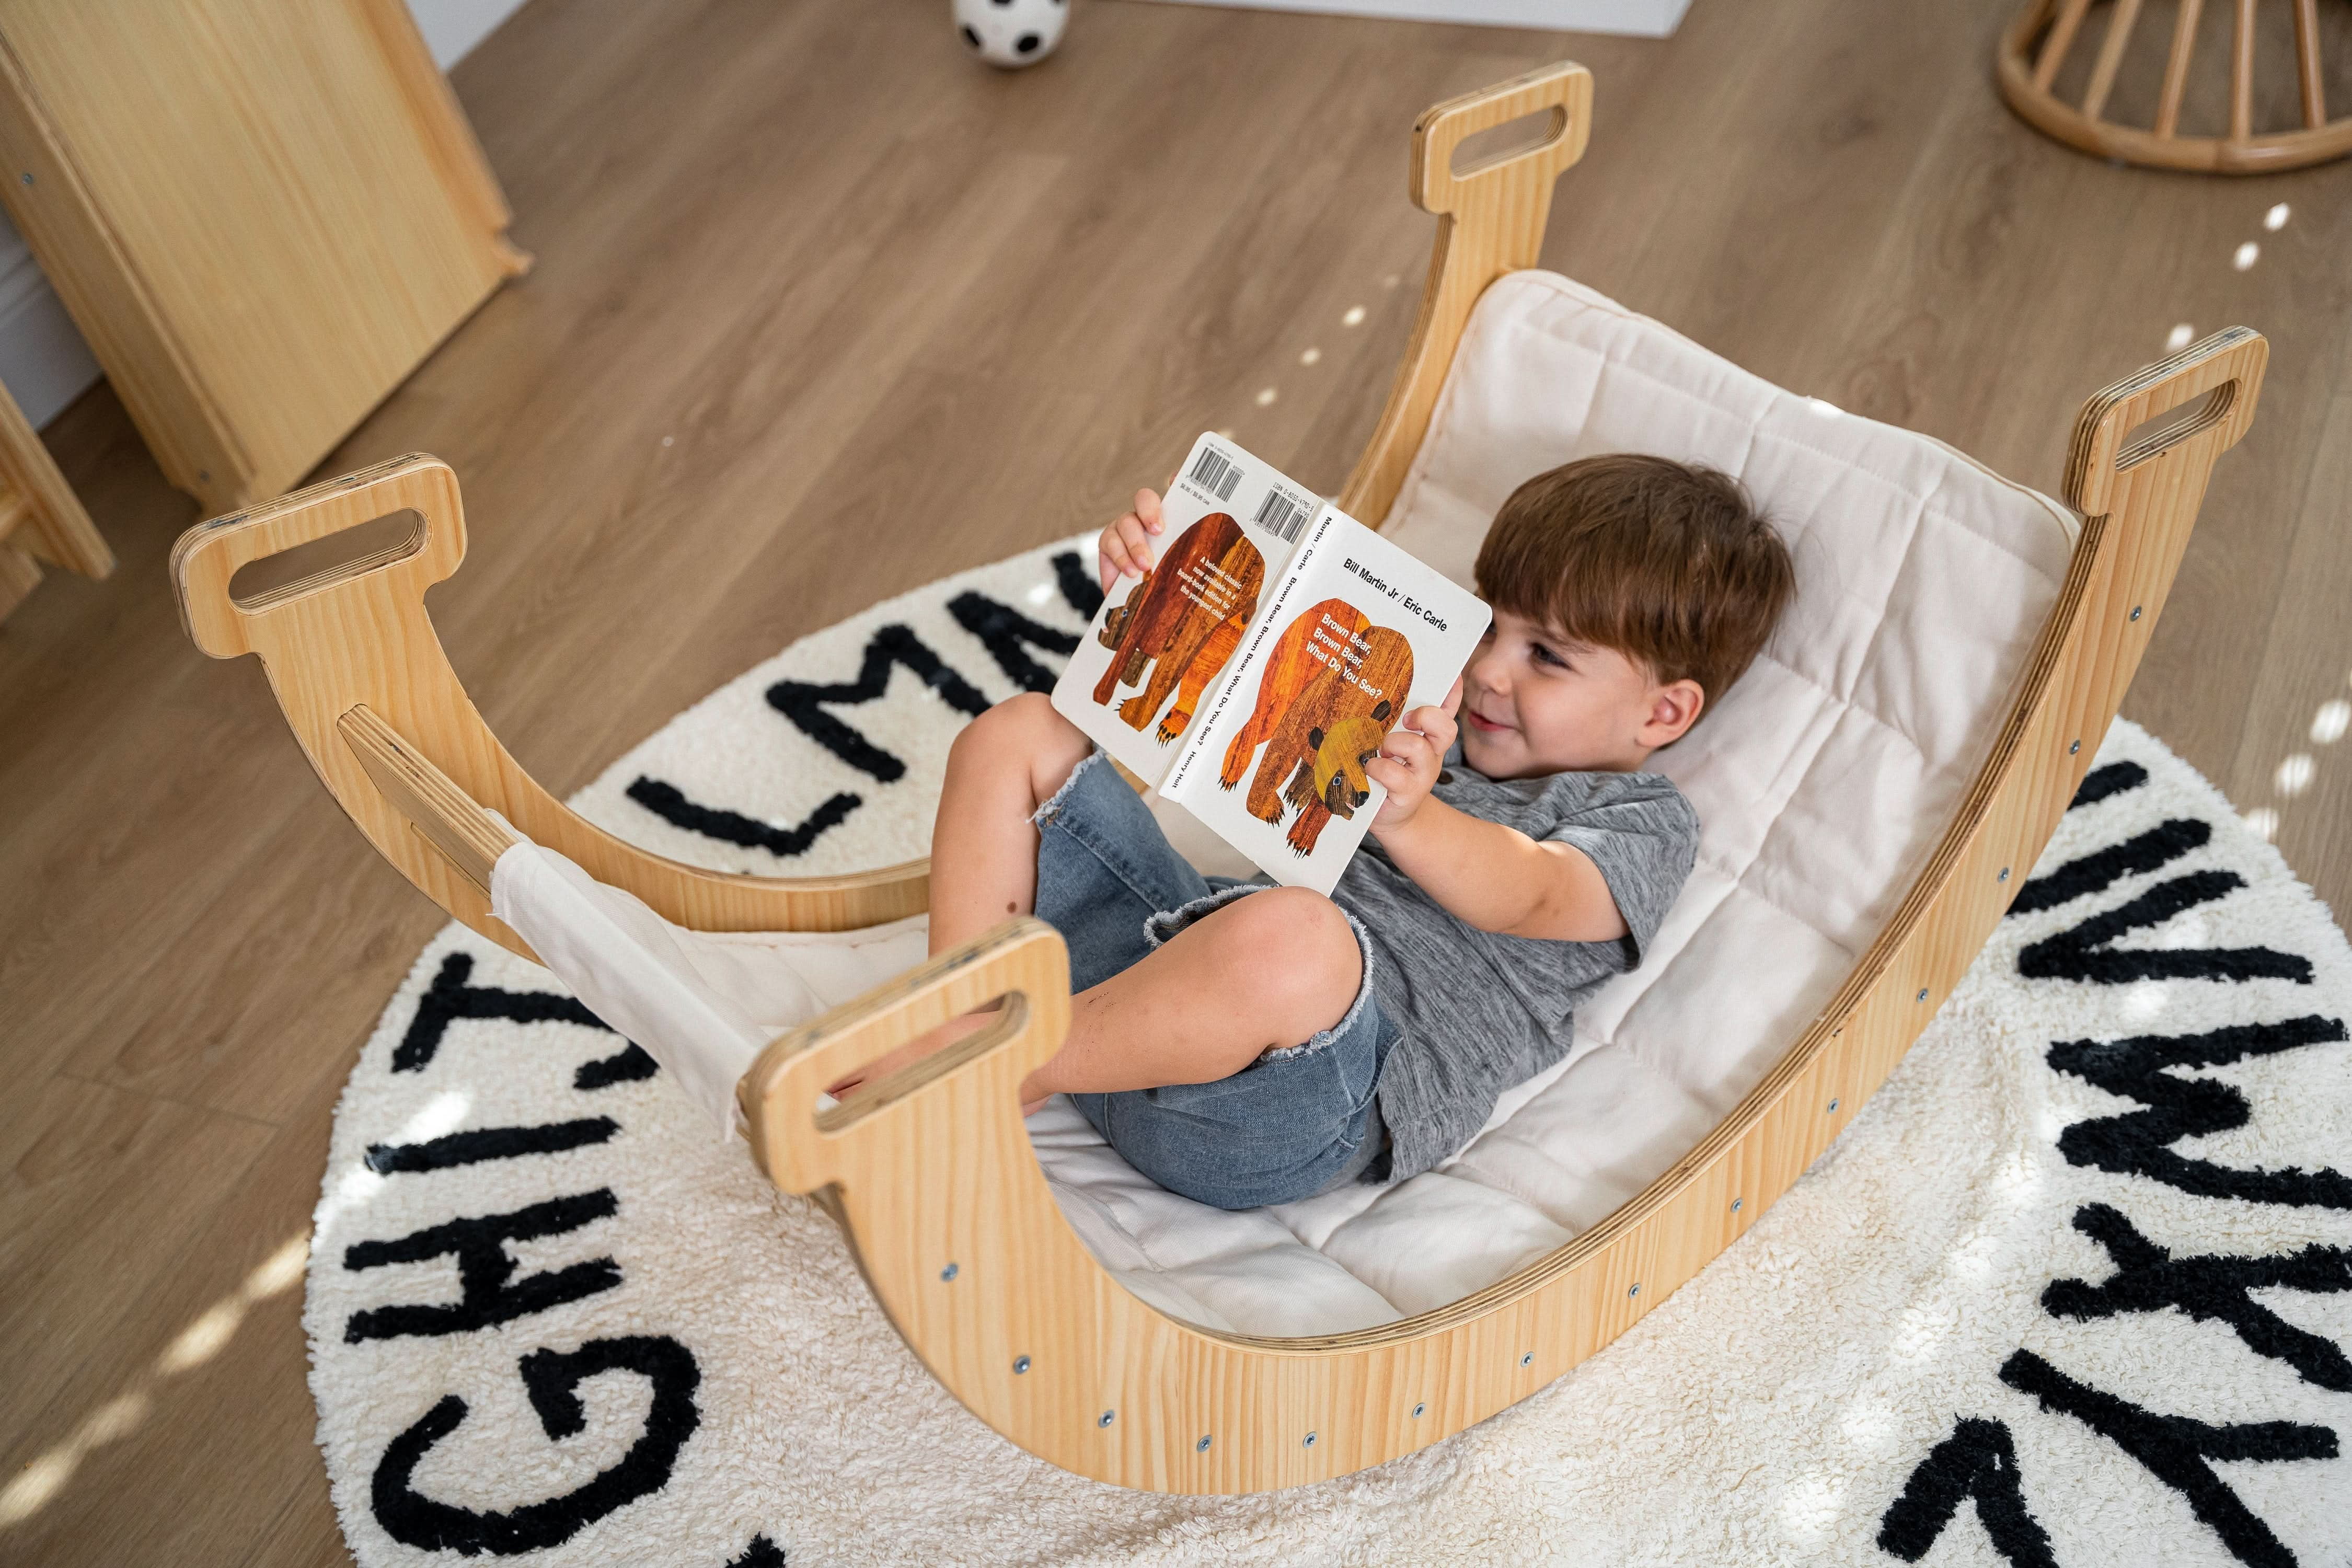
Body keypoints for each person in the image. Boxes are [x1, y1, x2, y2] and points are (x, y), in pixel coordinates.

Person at [862, 454, 1794, 1209]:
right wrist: (1161, 599)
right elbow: (1227, 722)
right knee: (1022, 732)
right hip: (1161, 1005)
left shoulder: (1639, 819)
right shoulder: (1431, 718)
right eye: (1487, 629)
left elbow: (1535, 891)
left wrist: (1416, 816)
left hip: (1295, 1105)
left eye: (1545, 655)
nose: (1488, 674)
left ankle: (982, 1075)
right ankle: (965, 1019)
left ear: (1663, 715)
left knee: (1301, 935)